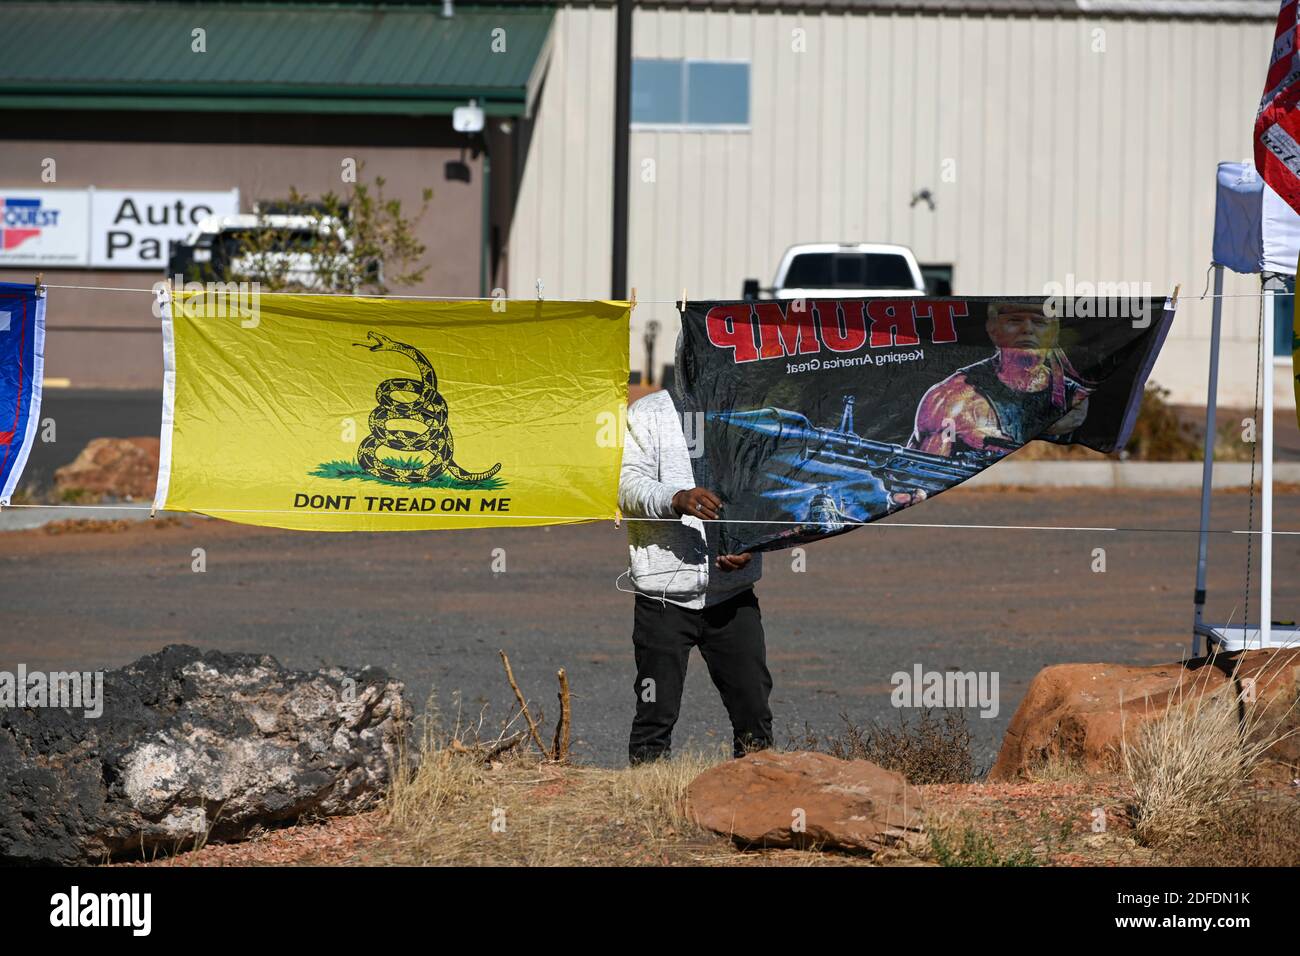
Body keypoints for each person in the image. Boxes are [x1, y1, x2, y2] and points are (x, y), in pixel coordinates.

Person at [618, 386, 772, 764]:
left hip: (733, 597)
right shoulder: (650, 411)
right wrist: (675, 498)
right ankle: (649, 808)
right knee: (655, 716)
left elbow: (765, 490)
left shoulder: (749, 407)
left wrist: (752, 543)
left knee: (754, 715)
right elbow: (625, 486)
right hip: (664, 599)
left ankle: (754, 807)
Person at [890, 301, 1091, 505]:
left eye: (1039, 322)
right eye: (1015, 320)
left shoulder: (1075, 398)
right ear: (993, 330)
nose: (1027, 330)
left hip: (1058, 504)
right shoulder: (952, 399)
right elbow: (917, 481)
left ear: (1054, 333)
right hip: (967, 509)